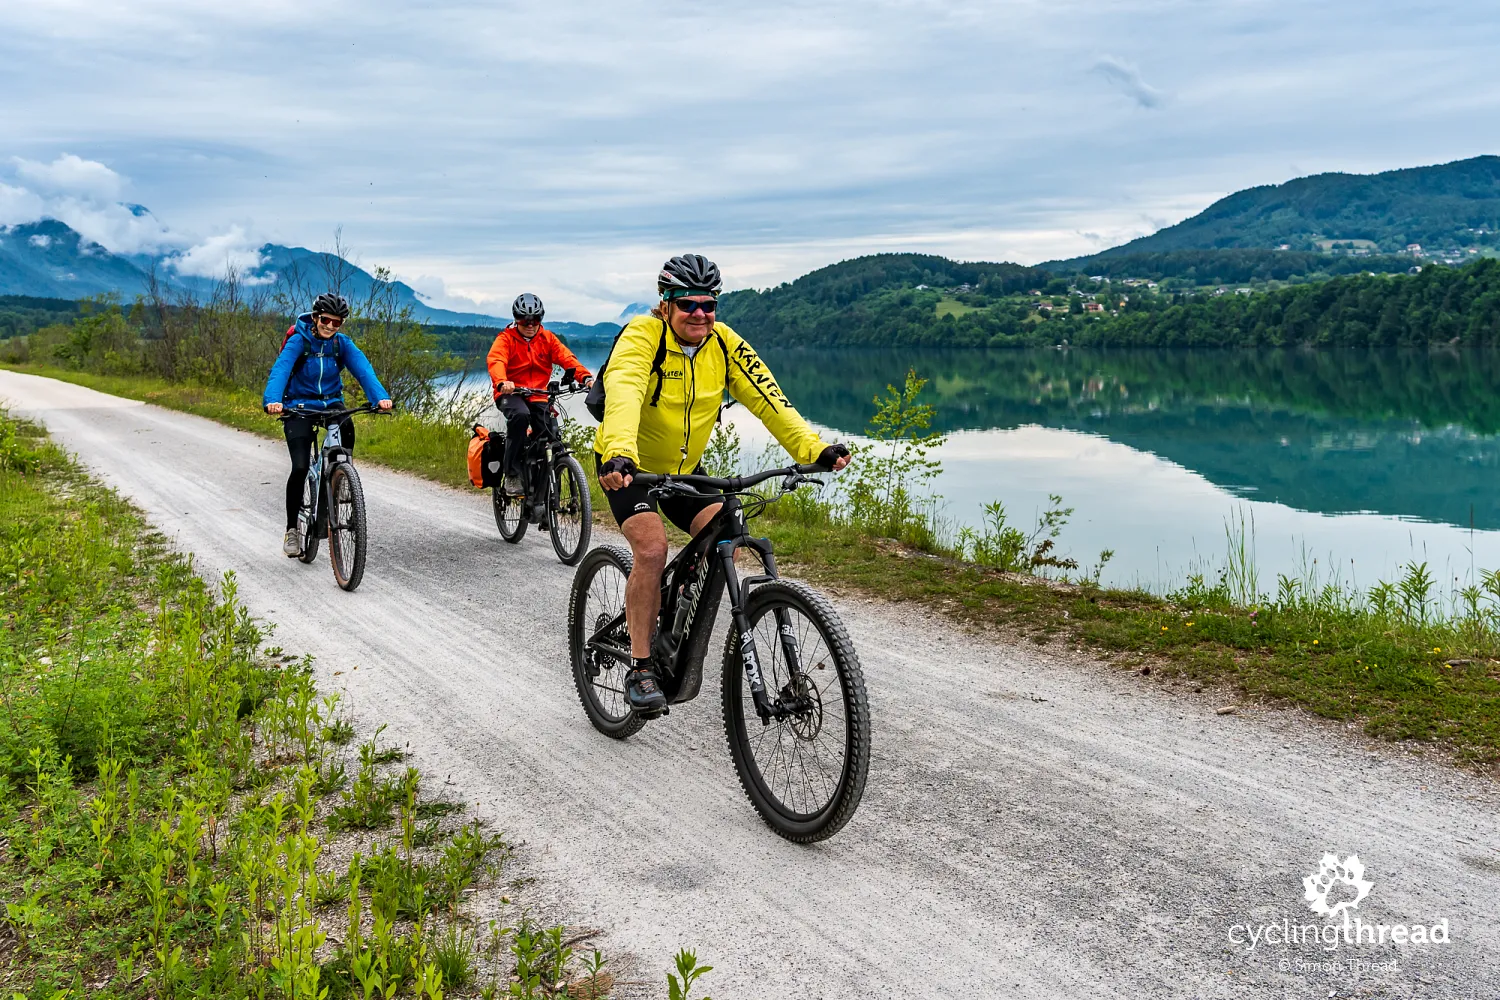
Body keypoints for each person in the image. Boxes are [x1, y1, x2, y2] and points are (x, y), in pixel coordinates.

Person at [594, 254, 850, 716]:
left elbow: (770, 398)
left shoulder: (725, 344)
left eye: (709, 305)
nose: (700, 314)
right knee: (652, 550)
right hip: (630, 468)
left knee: (725, 533)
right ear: (666, 305)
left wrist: (813, 451)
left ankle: (675, 617)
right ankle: (640, 666)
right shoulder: (642, 336)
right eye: (688, 304)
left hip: (684, 470)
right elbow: (625, 389)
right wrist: (618, 452)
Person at [263, 293, 393, 557]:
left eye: (337, 323)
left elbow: (363, 369)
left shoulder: (341, 344)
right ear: (315, 318)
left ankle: (343, 477)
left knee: (347, 427)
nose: (330, 327)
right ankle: (291, 530)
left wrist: (379, 397)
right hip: (298, 406)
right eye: (325, 320)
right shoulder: (299, 341)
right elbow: (281, 369)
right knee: (300, 467)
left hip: (331, 403)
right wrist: (273, 400)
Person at [486, 292, 592, 494]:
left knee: (550, 432)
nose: (530, 324)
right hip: (511, 394)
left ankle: (543, 490)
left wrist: (586, 378)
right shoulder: (506, 339)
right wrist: (501, 382)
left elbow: (567, 358)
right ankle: (512, 474)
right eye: (524, 320)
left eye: (535, 319)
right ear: (516, 319)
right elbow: (496, 360)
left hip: (538, 394)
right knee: (520, 415)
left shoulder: (547, 339)